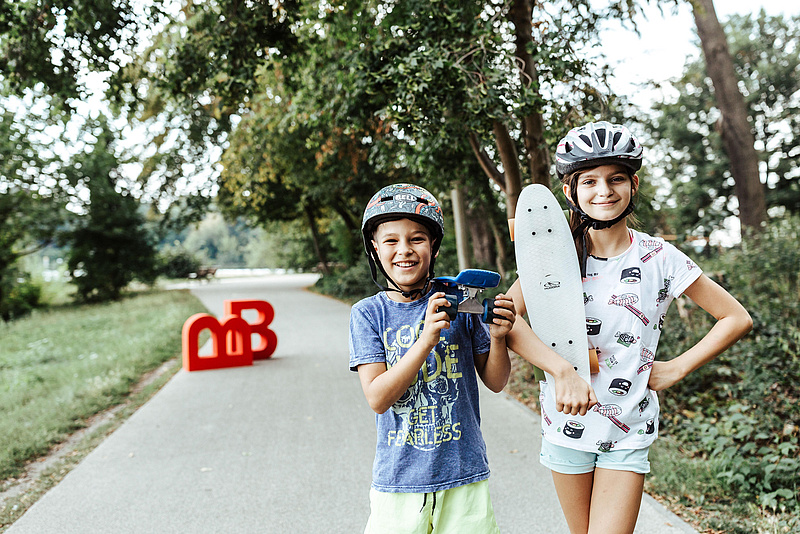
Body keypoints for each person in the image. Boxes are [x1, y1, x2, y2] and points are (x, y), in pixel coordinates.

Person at [505, 121, 753, 534]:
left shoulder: (660, 257)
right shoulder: (551, 255)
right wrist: (561, 370)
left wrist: (676, 368)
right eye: (590, 181)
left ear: (633, 184)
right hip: (565, 427)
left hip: (627, 429)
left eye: (616, 179)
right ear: (570, 191)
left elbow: (736, 317)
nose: (604, 191)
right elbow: (505, 319)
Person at [349, 183, 516, 534]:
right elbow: (378, 398)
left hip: (464, 475)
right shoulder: (368, 314)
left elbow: (496, 382)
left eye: (417, 239)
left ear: (434, 246)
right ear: (375, 248)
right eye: (391, 240)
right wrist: (426, 341)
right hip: (398, 480)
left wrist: (499, 339)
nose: (404, 250)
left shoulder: (461, 302)